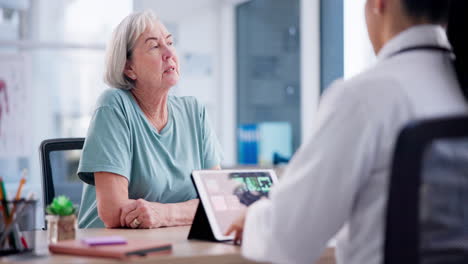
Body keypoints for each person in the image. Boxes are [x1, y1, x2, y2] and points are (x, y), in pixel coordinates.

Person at [226, 0, 468, 263]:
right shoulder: (455, 88)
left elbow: (286, 240)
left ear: (378, 4)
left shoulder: (364, 97)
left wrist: (254, 218)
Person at [77, 10, 222, 229]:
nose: (169, 53)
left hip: (174, 246)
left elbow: (219, 202)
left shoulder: (194, 112)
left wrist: (167, 214)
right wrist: (192, 210)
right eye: (154, 46)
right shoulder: (114, 105)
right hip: (109, 251)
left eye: (170, 42)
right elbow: (114, 213)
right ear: (129, 68)